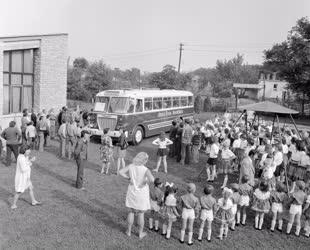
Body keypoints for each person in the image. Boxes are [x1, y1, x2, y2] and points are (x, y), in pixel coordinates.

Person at [119, 152, 155, 239]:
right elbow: (152, 180)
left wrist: (128, 178)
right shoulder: (146, 169)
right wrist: (145, 182)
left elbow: (121, 172)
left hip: (132, 191)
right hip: (142, 193)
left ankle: (128, 231)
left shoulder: (131, 166)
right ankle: (140, 233)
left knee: (131, 211)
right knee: (141, 213)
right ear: (144, 160)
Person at [11, 145, 41, 209]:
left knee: (30, 188)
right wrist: (31, 161)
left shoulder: (25, 156)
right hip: (21, 178)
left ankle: (33, 201)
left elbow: (26, 163)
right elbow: (23, 169)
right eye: (28, 150)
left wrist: (29, 160)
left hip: (26, 177)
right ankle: (13, 205)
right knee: (19, 191)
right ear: (24, 150)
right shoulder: (21, 158)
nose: (30, 151)